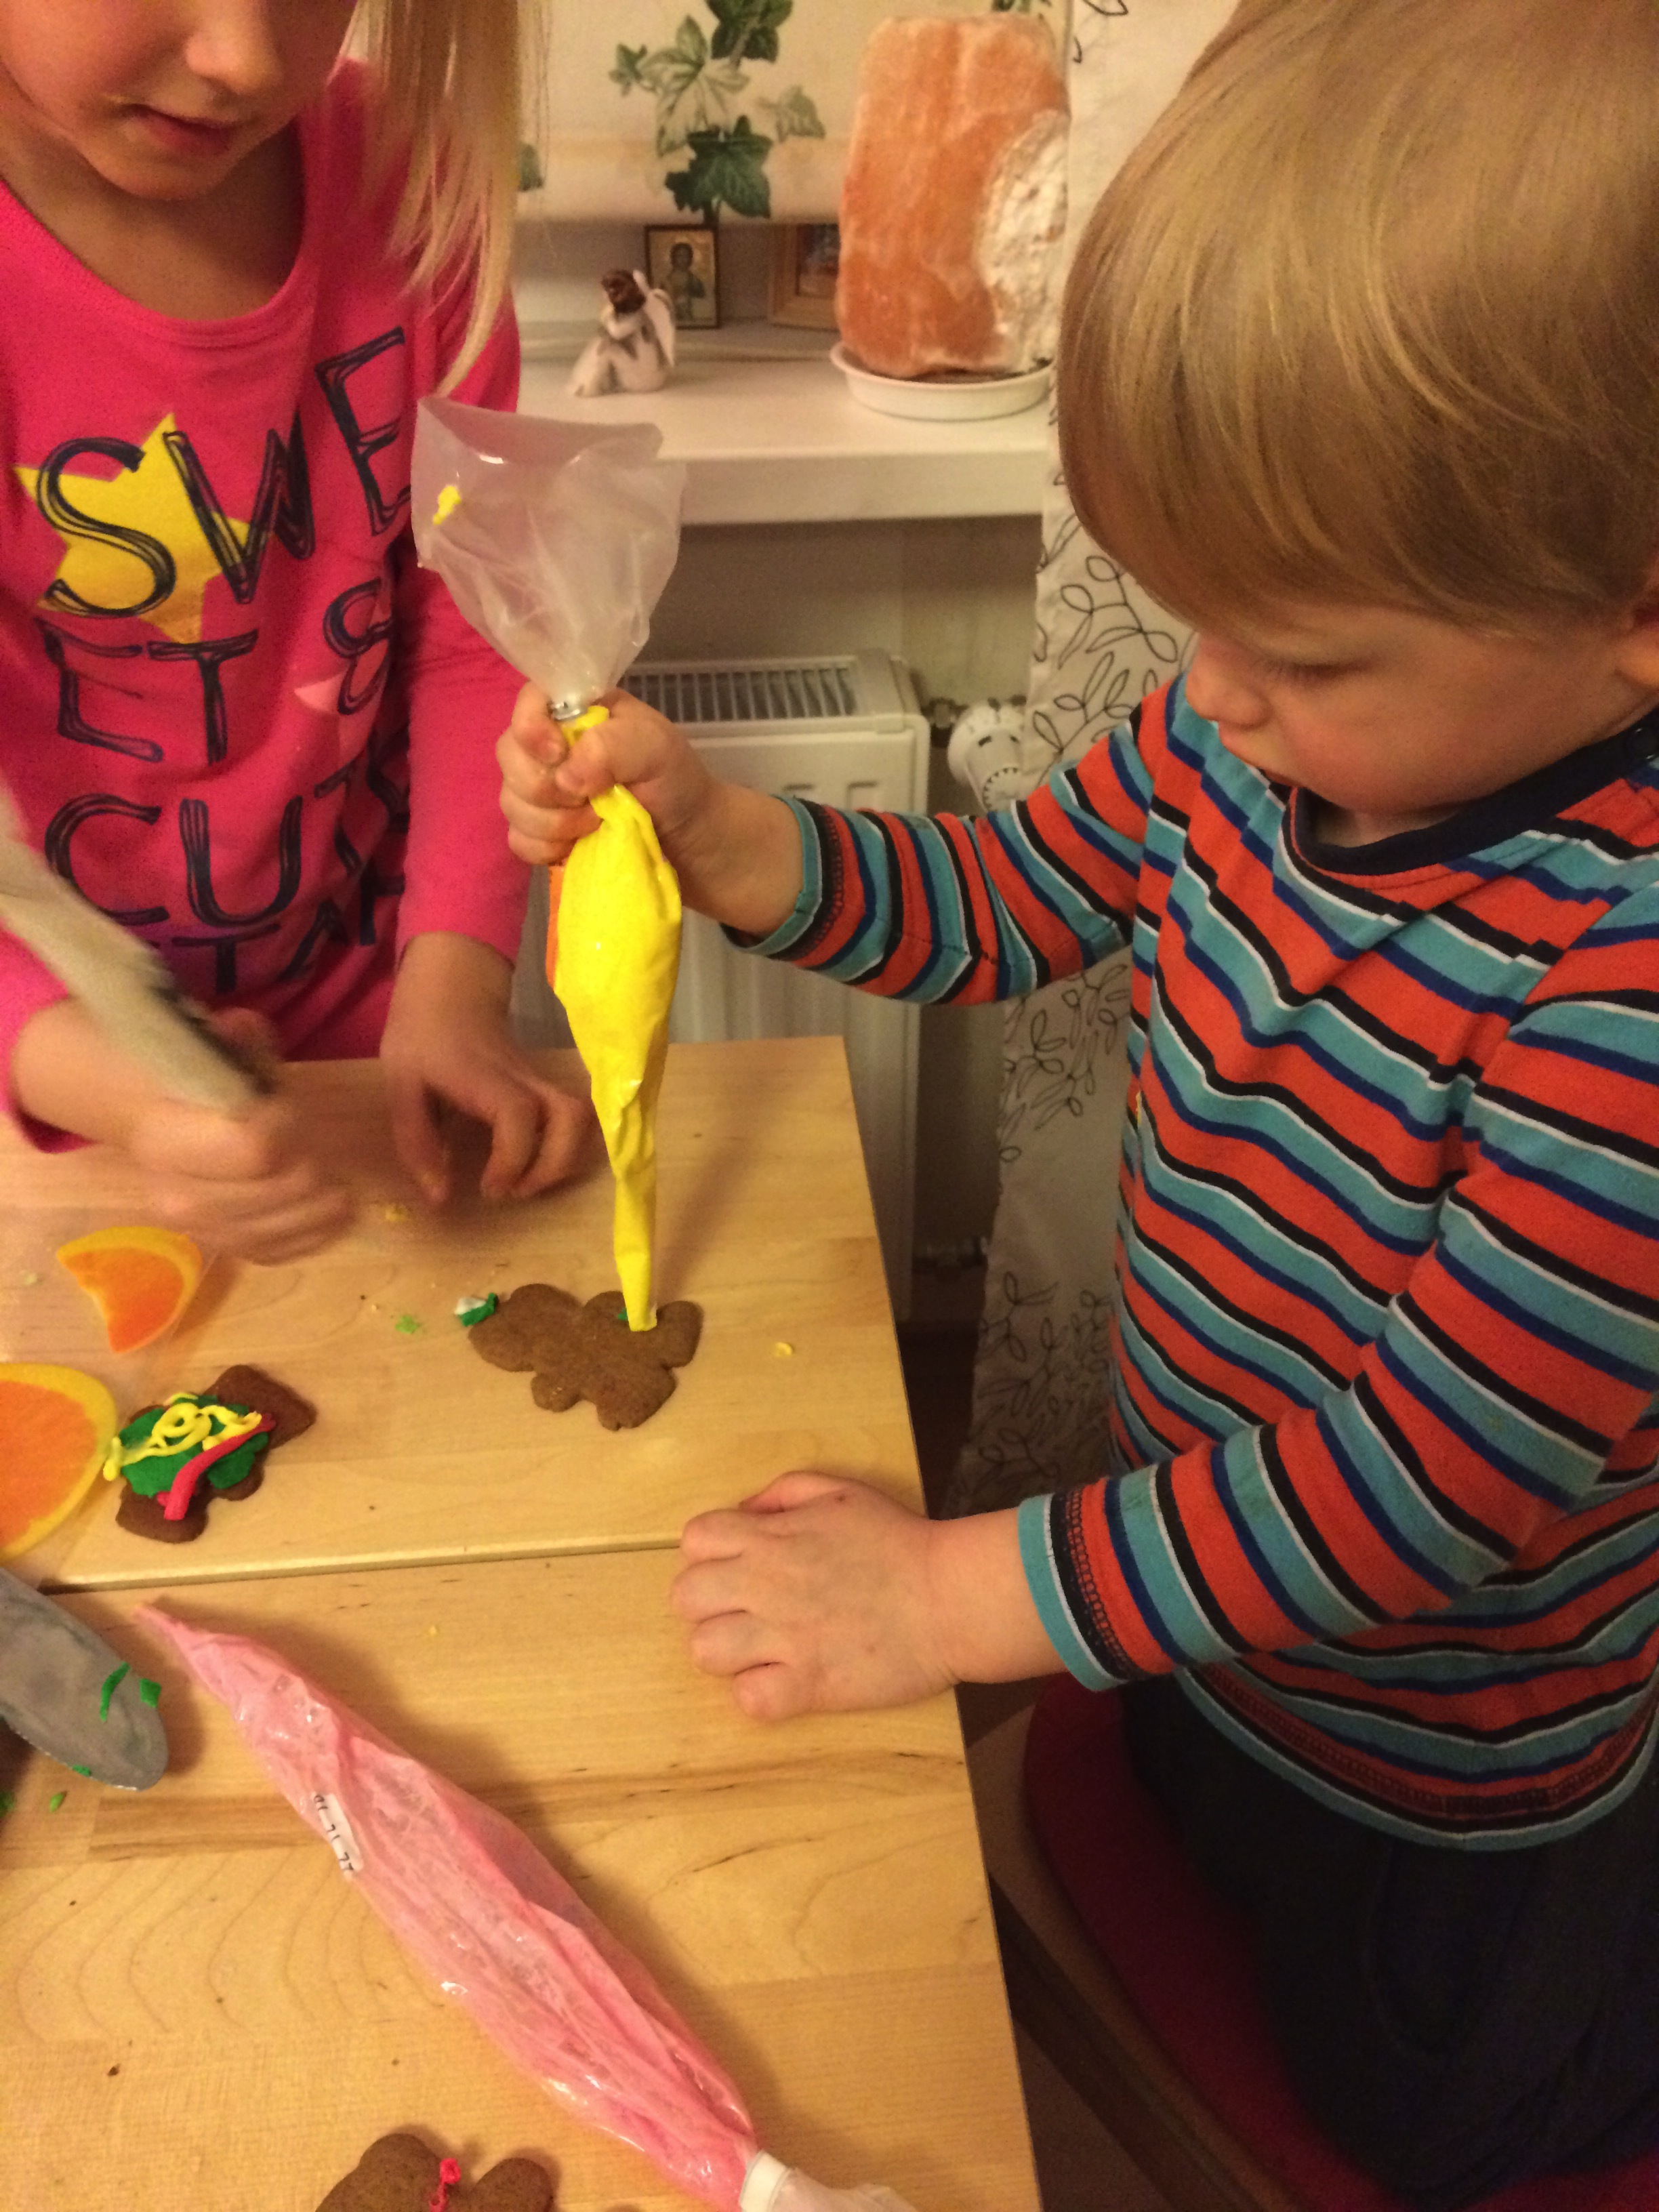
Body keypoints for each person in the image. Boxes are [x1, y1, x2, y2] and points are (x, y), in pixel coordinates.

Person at [498, 0, 1659, 2200]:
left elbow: (1423, 1485)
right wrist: (727, 837)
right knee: (1159, 1856)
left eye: (1303, 653)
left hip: (1451, 1784)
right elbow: (1003, 897)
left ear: (1632, 609)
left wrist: (945, 1605)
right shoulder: (1239, 738)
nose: (1213, 695)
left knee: (1434, 2122)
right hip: (1213, 1637)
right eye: (1188, 616)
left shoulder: (1616, 965)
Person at [0, 0, 590, 1263]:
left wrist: (454, 978)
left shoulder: (408, 180)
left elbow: (471, 620)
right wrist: (117, 1086)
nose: (246, 59)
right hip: (51, 1074)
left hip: (375, 1029)